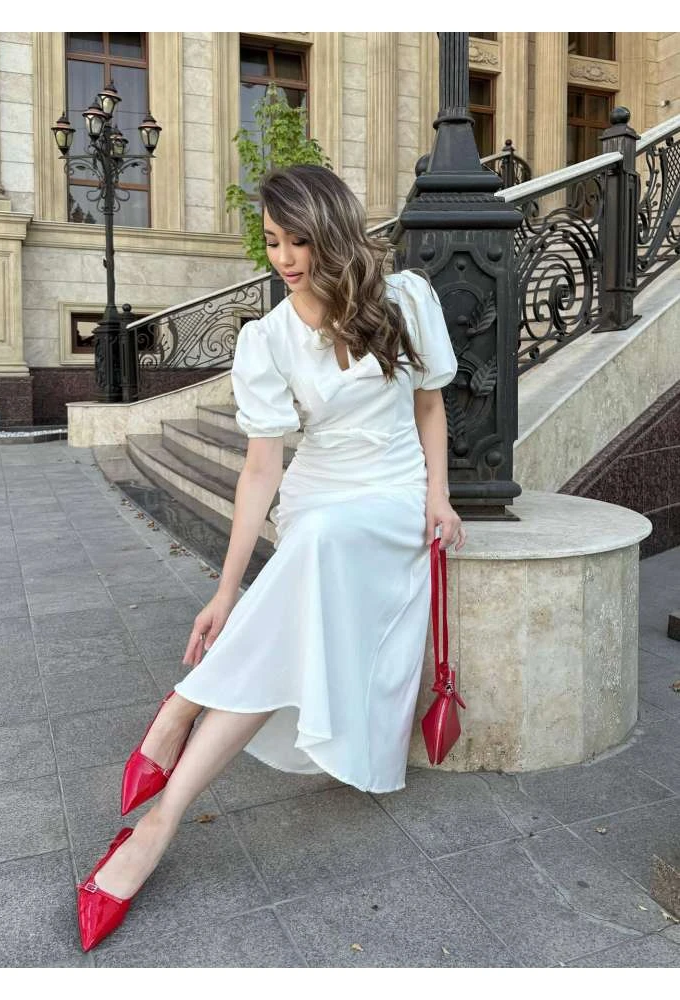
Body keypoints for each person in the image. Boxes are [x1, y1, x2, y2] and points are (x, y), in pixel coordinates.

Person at [76, 164, 466, 951]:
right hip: (320, 498)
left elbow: (429, 406)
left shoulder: (406, 300)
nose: (283, 258)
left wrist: (440, 495)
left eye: (298, 241)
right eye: (273, 241)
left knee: (318, 553)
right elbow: (262, 469)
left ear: (333, 234)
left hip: (391, 498)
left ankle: (181, 712)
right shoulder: (269, 337)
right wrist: (225, 592)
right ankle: (160, 821)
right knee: (306, 563)